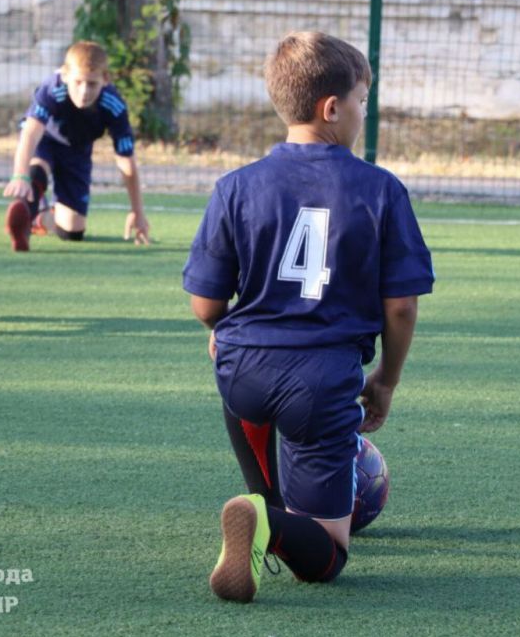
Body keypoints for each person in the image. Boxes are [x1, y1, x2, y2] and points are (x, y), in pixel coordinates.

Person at [182, 31, 434, 603]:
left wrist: (221, 331)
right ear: (332, 109)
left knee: (236, 363)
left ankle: (264, 505)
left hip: (244, 373)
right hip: (320, 384)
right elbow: (401, 306)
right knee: (327, 558)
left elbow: (206, 305)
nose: (365, 113)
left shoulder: (234, 187)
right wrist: (386, 381)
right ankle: (269, 522)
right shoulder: (381, 190)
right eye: (363, 101)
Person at [1, 40, 150, 251]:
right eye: (78, 82)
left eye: (92, 84)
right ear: (65, 75)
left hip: (77, 152)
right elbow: (31, 133)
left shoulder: (114, 106)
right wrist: (20, 175)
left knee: (72, 232)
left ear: (105, 79)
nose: (84, 91)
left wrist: (137, 211)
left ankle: (40, 218)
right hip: (46, 140)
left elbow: (127, 163)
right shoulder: (52, 89)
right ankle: (23, 218)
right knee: (36, 172)